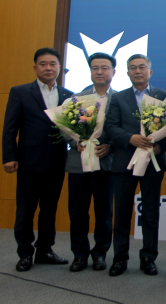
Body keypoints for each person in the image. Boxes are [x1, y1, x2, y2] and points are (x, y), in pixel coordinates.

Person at [2, 47, 73, 272]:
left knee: (49, 208)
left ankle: (45, 250)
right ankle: (25, 253)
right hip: (29, 160)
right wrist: (9, 156)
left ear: (59, 68)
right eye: (43, 64)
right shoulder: (20, 92)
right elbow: (10, 127)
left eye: (53, 64)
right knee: (26, 209)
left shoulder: (68, 95)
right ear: (35, 68)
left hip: (57, 160)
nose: (48, 68)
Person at [103, 54, 166, 277]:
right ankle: (120, 258)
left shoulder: (163, 97)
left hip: (152, 163)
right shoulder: (118, 98)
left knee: (150, 213)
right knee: (121, 214)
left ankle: (149, 257)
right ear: (128, 72)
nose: (137, 71)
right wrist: (130, 138)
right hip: (124, 163)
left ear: (150, 71)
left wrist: (161, 147)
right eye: (133, 68)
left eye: (142, 67)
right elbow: (111, 126)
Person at [67, 52, 117, 272]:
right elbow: (65, 128)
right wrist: (74, 141)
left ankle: (100, 254)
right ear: (90, 71)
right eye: (95, 68)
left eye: (104, 68)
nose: (99, 71)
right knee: (77, 211)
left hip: (105, 163)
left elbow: (124, 129)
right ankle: (79, 255)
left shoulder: (120, 99)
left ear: (113, 72)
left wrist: (110, 146)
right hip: (78, 164)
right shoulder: (76, 98)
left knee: (104, 212)